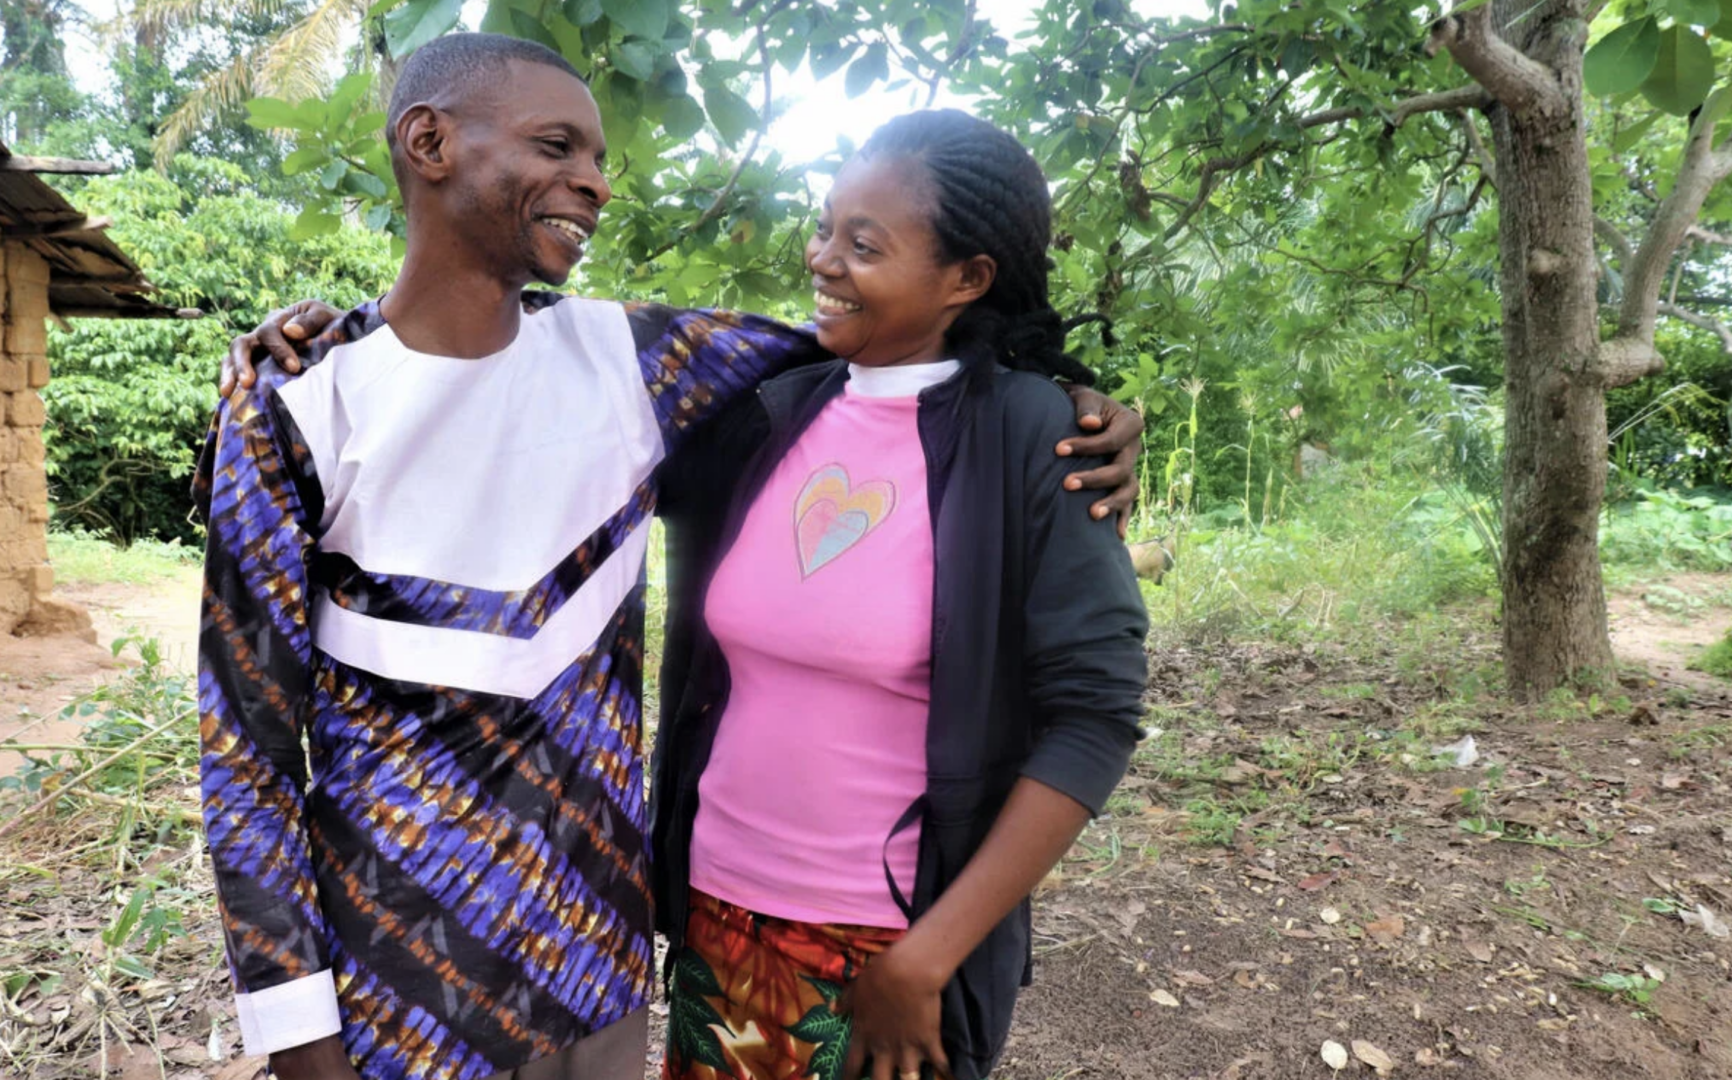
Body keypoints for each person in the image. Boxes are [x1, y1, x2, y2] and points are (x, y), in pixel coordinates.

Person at [202, 34, 1142, 1080]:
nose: (596, 184)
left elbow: (897, 348)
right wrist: (294, 1032)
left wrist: (1067, 404)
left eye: (600, 159)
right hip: (404, 996)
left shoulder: (635, 364)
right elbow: (243, 752)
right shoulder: (300, 401)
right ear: (428, 142)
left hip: (600, 974)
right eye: (557, 146)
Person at [650, 111, 1148, 1080]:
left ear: (967, 278)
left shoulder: (1035, 439)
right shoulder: (770, 410)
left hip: (887, 949)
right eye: (824, 228)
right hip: (721, 915)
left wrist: (926, 957)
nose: (822, 259)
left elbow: (1094, 716)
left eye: (864, 245)